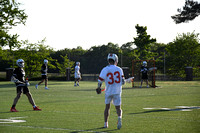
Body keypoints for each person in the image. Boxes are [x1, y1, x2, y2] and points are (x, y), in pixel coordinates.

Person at [97, 53, 125, 129]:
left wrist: (99, 88)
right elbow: (123, 81)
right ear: (116, 60)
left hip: (108, 91)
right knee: (118, 108)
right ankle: (119, 117)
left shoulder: (105, 69)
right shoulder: (119, 69)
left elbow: (100, 81)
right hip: (117, 91)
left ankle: (106, 124)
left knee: (107, 107)